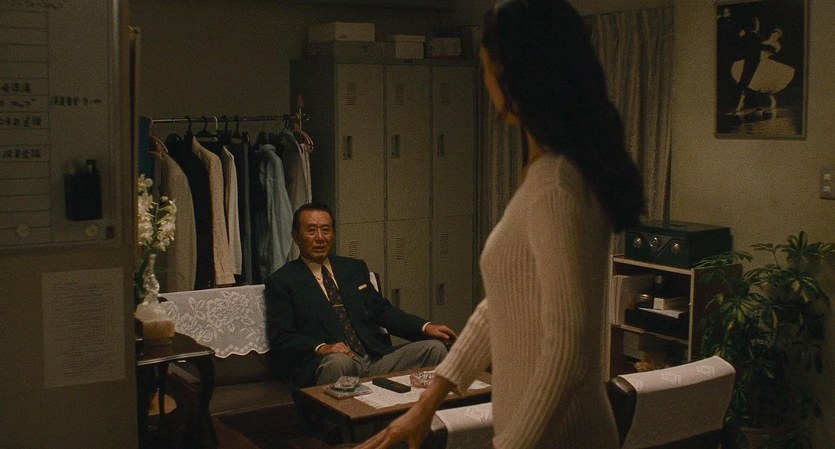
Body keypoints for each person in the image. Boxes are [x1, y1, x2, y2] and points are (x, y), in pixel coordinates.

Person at [357, 0, 644, 448]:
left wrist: (510, 445)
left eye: (487, 68)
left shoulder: (556, 185)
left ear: (515, 75)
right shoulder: (552, 173)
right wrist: (427, 403)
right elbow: (503, 305)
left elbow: (567, 350)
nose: (486, 82)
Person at [264, 202, 458, 387]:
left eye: (326, 230)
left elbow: (382, 311)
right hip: (334, 362)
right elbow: (282, 337)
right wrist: (322, 348)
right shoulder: (283, 281)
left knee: (434, 349)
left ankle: (427, 410)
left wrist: (425, 327)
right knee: (339, 363)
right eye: (312, 230)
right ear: (296, 236)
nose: (320, 237)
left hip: (375, 359)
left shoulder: (353, 268)